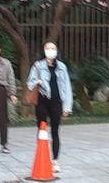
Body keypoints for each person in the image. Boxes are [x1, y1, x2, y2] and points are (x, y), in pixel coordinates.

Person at [26, 41, 73, 173]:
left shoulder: (62, 67)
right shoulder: (38, 66)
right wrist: (38, 81)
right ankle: (42, 156)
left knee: (55, 131)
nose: (51, 50)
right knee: (41, 129)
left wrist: (67, 107)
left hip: (57, 101)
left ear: (57, 51)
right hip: (42, 101)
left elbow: (67, 87)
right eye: (48, 48)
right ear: (44, 50)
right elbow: (29, 83)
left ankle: (55, 161)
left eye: (53, 48)